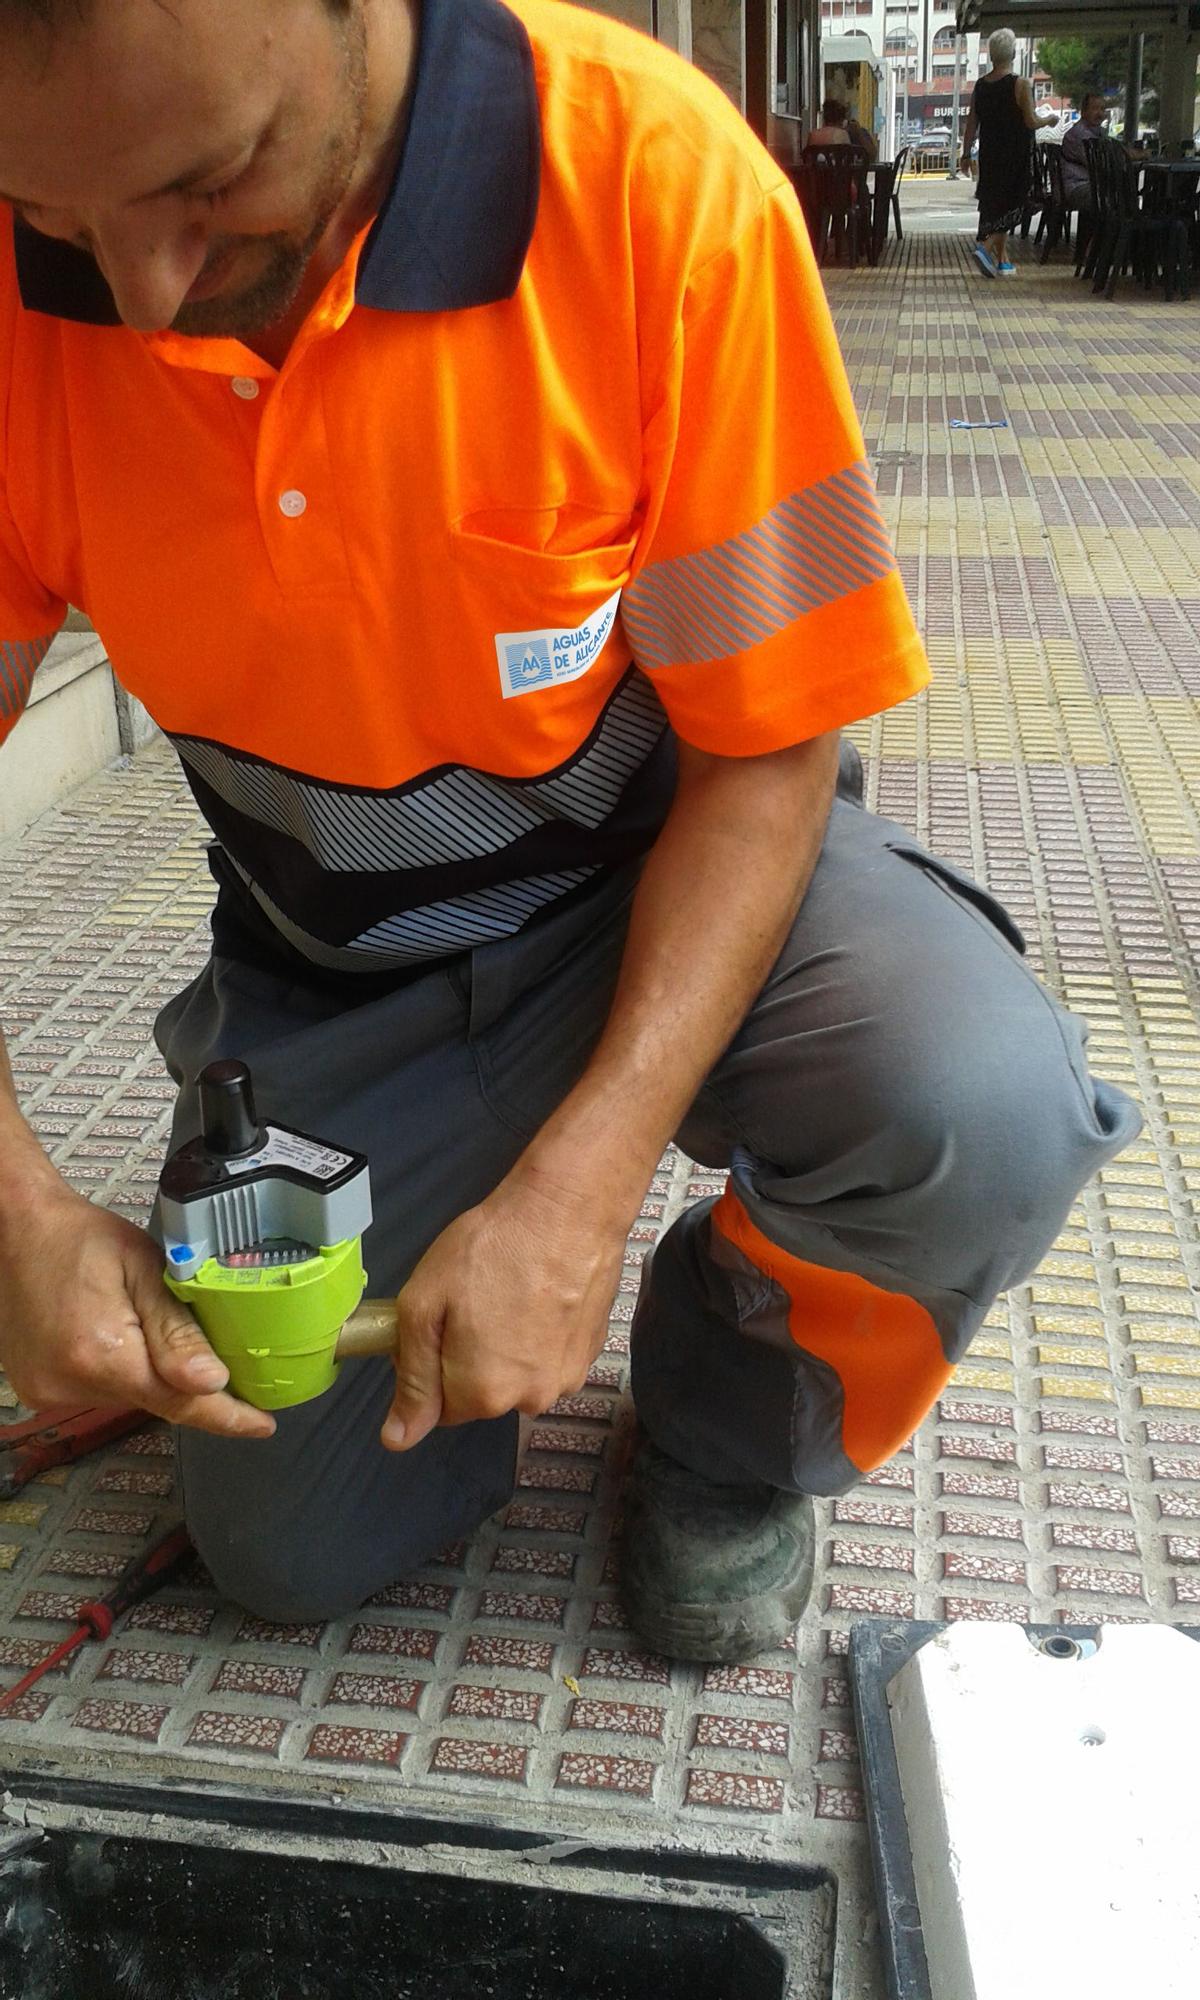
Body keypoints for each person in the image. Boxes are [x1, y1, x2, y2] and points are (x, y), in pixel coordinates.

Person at [0, 0, 1139, 1665]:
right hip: (350, 972)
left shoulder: (660, 191)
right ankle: (407, 1269)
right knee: (288, 1555)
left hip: (674, 885)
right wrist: (21, 1219)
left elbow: (770, 754)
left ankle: (729, 1421)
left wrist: (583, 1193)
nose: (143, 290)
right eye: (53, 219)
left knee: (965, 1102)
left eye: (214, 180)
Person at [959, 27, 1059, 276]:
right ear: (1013, 53)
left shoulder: (980, 86)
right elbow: (1030, 121)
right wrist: (1049, 120)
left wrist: (965, 153)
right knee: (1016, 203)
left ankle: (1003, 260)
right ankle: (986, 247)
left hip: (990, 155)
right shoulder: (1020, 84)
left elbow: (972, 123)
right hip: (1015, 155)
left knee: (995, 205)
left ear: (991, 55)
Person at [1060, 93, 1108, 212]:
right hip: (1076, 186)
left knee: (1120, 194)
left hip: (1087, 185)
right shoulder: (1080, 134)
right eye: (1095, 108)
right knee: (1113, 197)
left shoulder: (1098, 133)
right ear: (1083, 112)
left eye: (1102, 109)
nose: (1100, 113)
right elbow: (1099, 162)